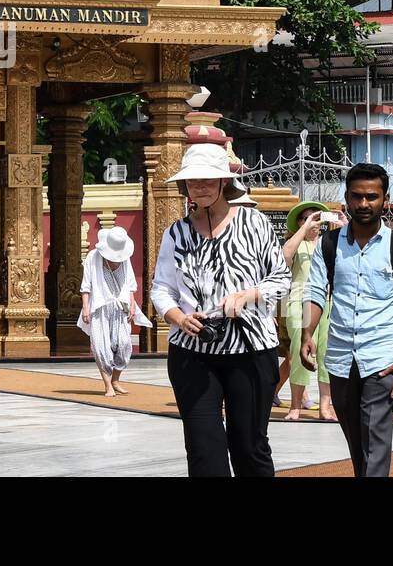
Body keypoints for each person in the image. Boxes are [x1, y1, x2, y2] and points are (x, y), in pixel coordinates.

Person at [151, 143, 290, 477]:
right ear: (184, 186)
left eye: (209, 179)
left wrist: (249, 295)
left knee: (249, 448)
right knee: (203, 450)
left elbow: (281, 278)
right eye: (193, 180)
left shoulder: (254, 223)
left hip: (252, 348)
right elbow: (161, 289)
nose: (200, 186)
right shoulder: (176, 232)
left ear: (224, 182)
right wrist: (179, 317)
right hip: (192, 353)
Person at [301, 162, 393, 477]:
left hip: (383, 356)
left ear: (385, 200)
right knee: (357, 441)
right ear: (347, 198)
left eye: (372, 196)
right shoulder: (329, 245)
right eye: (357, 196)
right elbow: (316, 292)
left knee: (376, 440)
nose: (364, 203)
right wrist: (307, 335)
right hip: (341, 357)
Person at [281, 201, 338, 421]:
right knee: (299, 352)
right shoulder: (296, 243)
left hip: (328, 302)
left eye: (315, 218)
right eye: (305, 218)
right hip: (299, 302)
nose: (313, 221)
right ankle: (295, 405)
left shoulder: (328, 243)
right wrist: (303, 229)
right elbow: (284, 258)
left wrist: (343, 224)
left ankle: (325, 406)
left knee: (326, 354)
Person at [79, 226, 152, 397]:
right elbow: (86, 285)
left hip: (121, 308)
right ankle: (107, 385)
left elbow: (131, 284)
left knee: (125, 346)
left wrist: (133, 304)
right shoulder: (93, 257)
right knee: (101, 347)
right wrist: (85, 307)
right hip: (100, 308)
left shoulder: (124, 258)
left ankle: (116, 380)